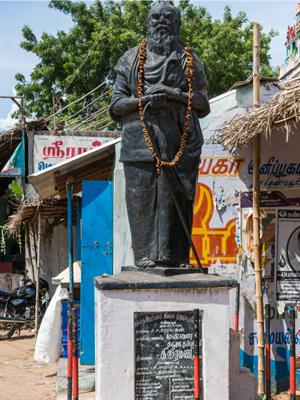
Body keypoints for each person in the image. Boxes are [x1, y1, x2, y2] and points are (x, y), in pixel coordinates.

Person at [109, 0, 210, 268]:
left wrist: (175, 95)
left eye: (168, 18)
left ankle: (174, 256)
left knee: (176, 197)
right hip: (138, 142)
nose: (161, 23)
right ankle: (143, 256)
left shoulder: (189, 60)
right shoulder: (131, 59)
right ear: (147, 23)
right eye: (156, 18)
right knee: (139, 198)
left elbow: (202, 103)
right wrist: (144, 101)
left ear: (177, 24)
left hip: (179, 141)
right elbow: (116, 106)